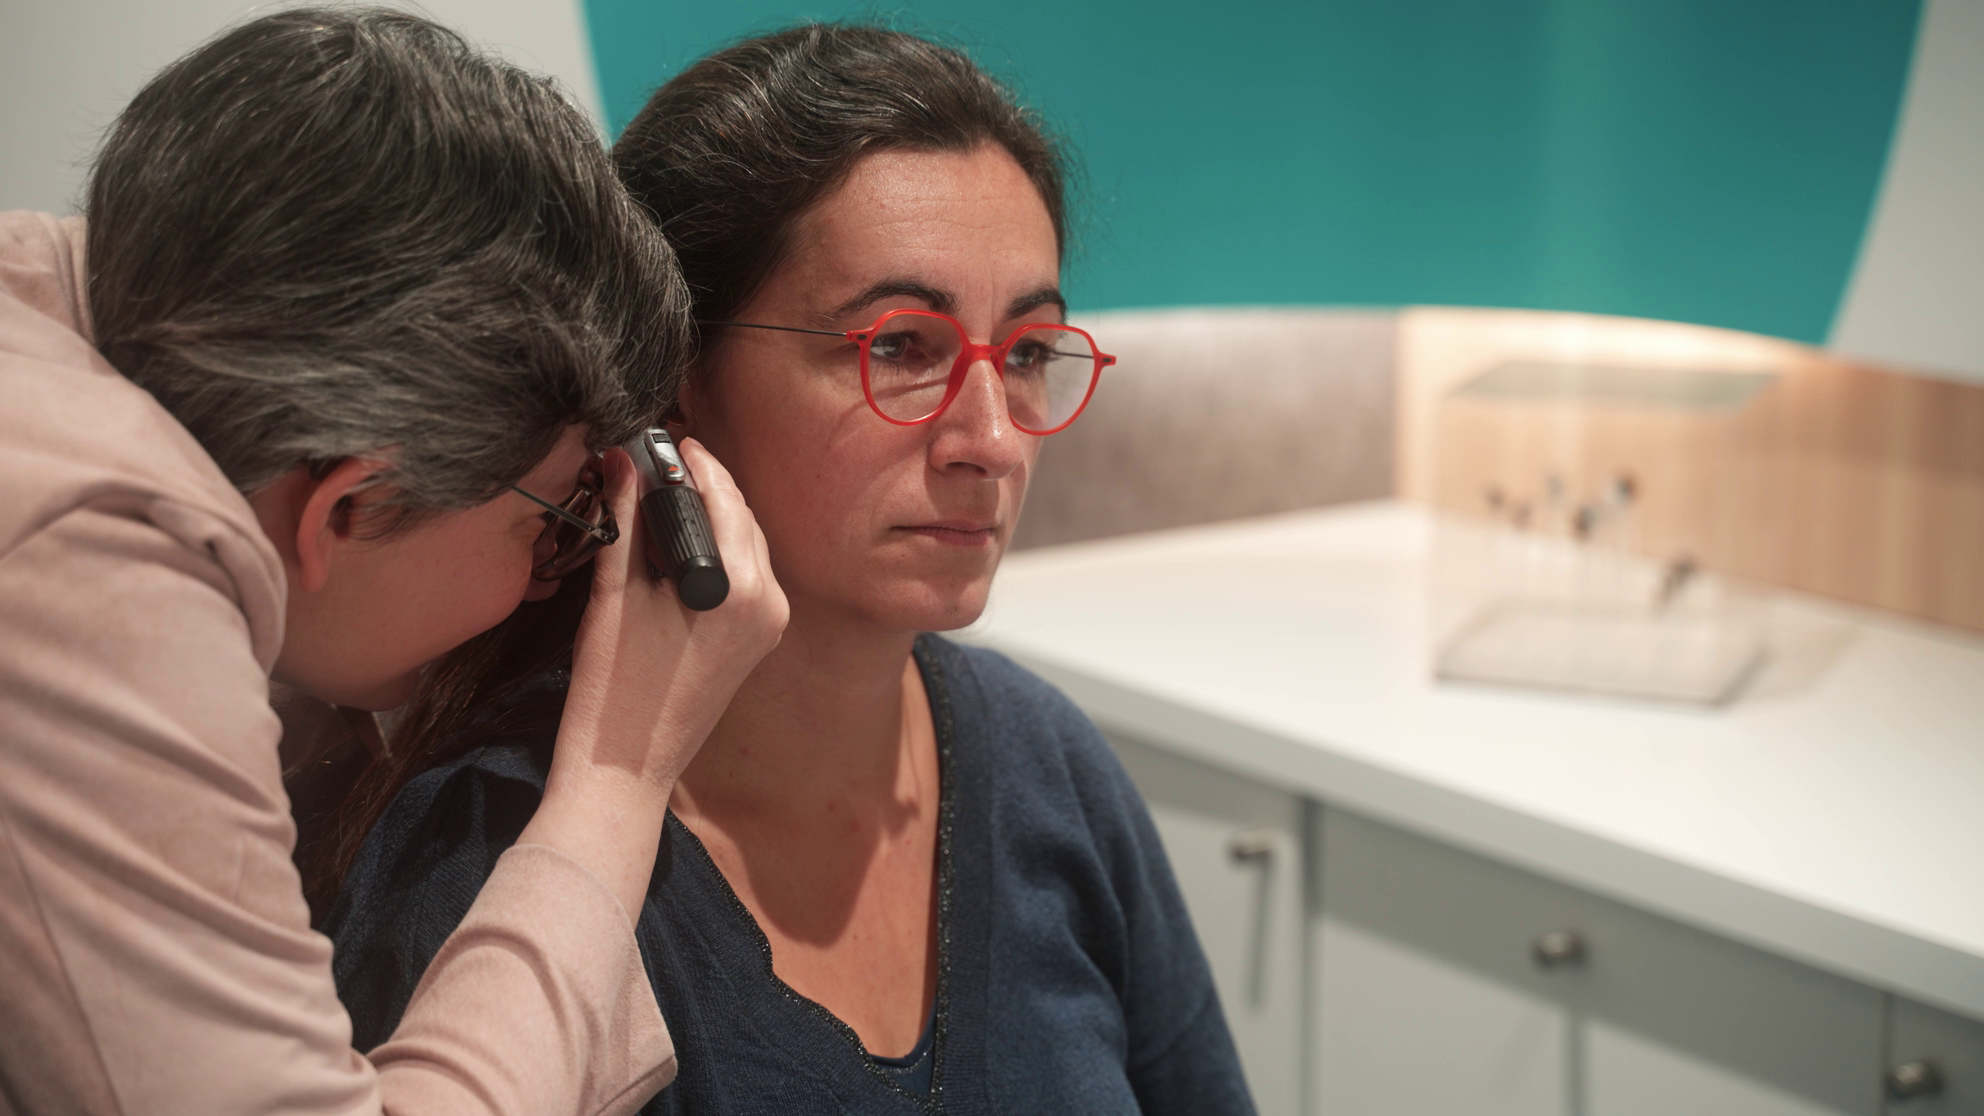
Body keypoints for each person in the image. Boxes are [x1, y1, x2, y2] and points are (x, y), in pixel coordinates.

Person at [324, 24, 1255, 1115]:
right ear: (673, 378)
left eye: (1028, 354)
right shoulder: (489, 857)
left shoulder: (1045, 763)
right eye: (899, 347)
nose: (993, 441)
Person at [0, 9, 784, 1115]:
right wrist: (619, 775)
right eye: (556, 517)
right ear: (349, 506)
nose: (557, 573)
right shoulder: (78, 562)